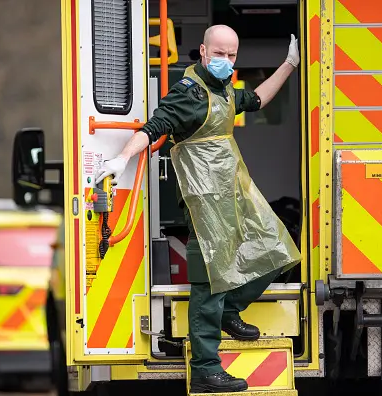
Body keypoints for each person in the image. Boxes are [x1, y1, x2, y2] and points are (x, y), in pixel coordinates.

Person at [95, 24, 301, 393]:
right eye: (219, 54)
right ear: (204, 52)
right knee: (209, 284)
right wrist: (122, 158)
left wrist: (288, 64)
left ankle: (230, 313)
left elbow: (256, 100)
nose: (226, 61)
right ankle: (207, 368)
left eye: (232, 55)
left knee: (278, 249)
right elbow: (153, 126)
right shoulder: (189, 94)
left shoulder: (220, 91)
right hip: (203, 201)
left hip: (233, 193)